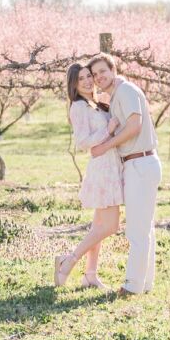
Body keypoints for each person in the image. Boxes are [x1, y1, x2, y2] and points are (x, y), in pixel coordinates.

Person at [85, 53, 161, 297]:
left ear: (113, 69)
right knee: (144, 227)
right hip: (138, 163)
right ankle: (143, 283)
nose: (98, 78)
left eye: (102, 71)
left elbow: (134, 126)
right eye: (94, 75)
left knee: (137, 231)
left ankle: (131, 286)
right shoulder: (119, 94)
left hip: (140, 161)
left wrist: (106, 146)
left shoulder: (126, 91)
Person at [54, 63, 123, 289]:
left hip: (111, 165)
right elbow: (83, 142)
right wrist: (108, 130)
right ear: (73, 84)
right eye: (80, 78)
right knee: (111, 226)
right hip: (102, 169)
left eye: (88, 76)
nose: (86, 81)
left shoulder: (96, 103)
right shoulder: (78, 106)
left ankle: (90, 275)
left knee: (98, 227)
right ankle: (68, 260)